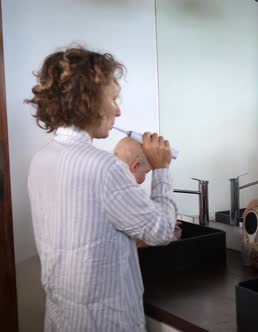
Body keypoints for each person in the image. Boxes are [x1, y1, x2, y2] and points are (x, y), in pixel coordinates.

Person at [26, 47, 177, 331]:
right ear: (89, 100)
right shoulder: (106, 168)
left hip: (61, 319)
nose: (118, 110)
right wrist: (161, 169)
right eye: (113, 98)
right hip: (106, 322)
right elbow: (161, 231)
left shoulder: (41, 160)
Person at [114, 137, 181, 244]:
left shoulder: (110, 187)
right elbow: (162, 234)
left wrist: (155, 220)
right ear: (135, 166)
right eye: (146, 172)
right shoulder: (126, 196)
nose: (145, 178)